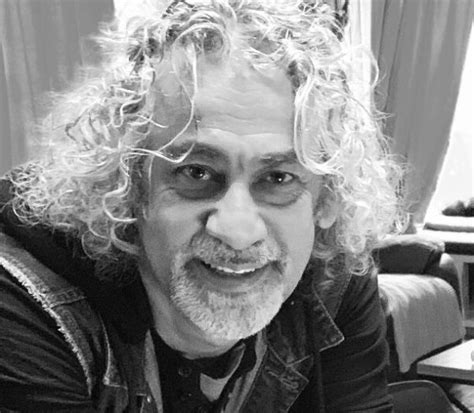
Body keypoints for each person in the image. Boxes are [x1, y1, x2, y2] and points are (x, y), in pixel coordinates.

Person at [0, 1, 403, 411]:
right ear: (127, 184)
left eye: (278, 179)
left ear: (326, 200)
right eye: (196, 173)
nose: (237, 231)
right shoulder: (25, 306)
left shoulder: (333, 281)